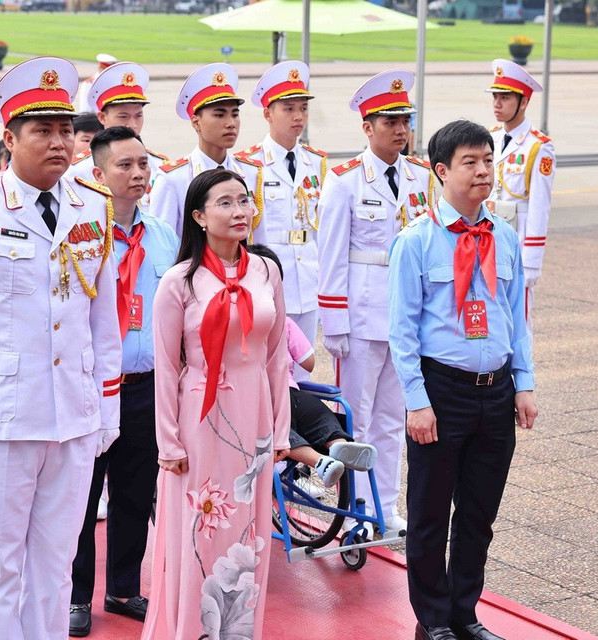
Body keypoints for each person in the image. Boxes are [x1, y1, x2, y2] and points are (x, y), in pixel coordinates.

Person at [0, 57, 121, 640]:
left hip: (75, 415)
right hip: (2, 418)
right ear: (9, 139)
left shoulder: (93, 205)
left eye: (65, 130)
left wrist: (105, 408)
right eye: (43, 131)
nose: (59, 142)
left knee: (56, 565)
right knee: (1, 566)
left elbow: (101, 323)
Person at [387, 119, 537, 640]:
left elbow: (517, 316)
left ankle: (464, 612)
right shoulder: (416, 242)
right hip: (441, 390)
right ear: (441, 170)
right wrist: (416, 401)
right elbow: (401, 331)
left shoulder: (506, 236)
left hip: (493, 391)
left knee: (478, 513)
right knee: (429, 512)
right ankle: (432, 619)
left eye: (488, 161)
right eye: (469, 162)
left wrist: (524, 381)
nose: (482, 172)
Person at [142, 169, 290, 640]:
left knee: (250, 531)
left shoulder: (267, 271)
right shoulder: (179, 281)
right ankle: (191, 630)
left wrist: (281, 431)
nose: (239, 210)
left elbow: (277, 357)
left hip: (256, 417)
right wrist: (168, 439)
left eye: (243, 201)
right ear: (199, 216)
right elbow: (166, 366)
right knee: (202, 528)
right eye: (224, 203)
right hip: (200, 417)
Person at [68, 126, 178, 637]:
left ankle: (124, 587)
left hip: (145, 383)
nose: (137, 174)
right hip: (92, 384)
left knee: (136, 490)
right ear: (97, 174)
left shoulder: (162, 236)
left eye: (142, 165)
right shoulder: (80, 236)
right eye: (124, 166)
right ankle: (75, 595)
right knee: (83, 498)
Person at [317, 71, 434, 535]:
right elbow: (330, 255)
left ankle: (386, 508)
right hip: (361, 315)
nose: (401, 130)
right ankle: (355, 514)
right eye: (390, 121)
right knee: (356, 420)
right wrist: (335, 322)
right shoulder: (344, 180)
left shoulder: (421, 176)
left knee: (392, 418)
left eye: (405, 120)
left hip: (405, 318)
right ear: (367, 127)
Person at [235, 61, 327, 369]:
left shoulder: (317, 163)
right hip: (269, 279)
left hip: (308, 278)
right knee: (270, 369)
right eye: (288, 108)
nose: (298, 116)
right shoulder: (247, 165)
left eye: (302, 108)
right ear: (267, 113)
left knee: (305, 372)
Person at [247, 244, 355, 489]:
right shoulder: (284, 322)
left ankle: (319, 462)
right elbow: (309, 361)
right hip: (293, 392)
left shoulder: (237, 321)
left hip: (260, 398)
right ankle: (338, 444)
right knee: (320, 418)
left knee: (281, 433)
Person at [149, 64, 262, 241]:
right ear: (196, 122)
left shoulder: (251, 172)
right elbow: (163, 244)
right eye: (219, 115)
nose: (231, 123)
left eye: (235, 114)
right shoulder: (174, 178)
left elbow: (259, 242)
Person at [485, 59, 555, 324]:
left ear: (523, 102)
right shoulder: (489, 137)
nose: (497, 104)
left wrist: (532, 262)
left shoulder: (538, 147)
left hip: (518, 239)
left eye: (504, 98)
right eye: (495, 97)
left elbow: (539, 207)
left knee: (518, 322)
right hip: (488, 239)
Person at [65, 62, 169, 202]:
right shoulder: (77, 170)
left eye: (138, 116)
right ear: (102, 117)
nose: (132, 124)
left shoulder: (160, 165)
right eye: (123, 117)